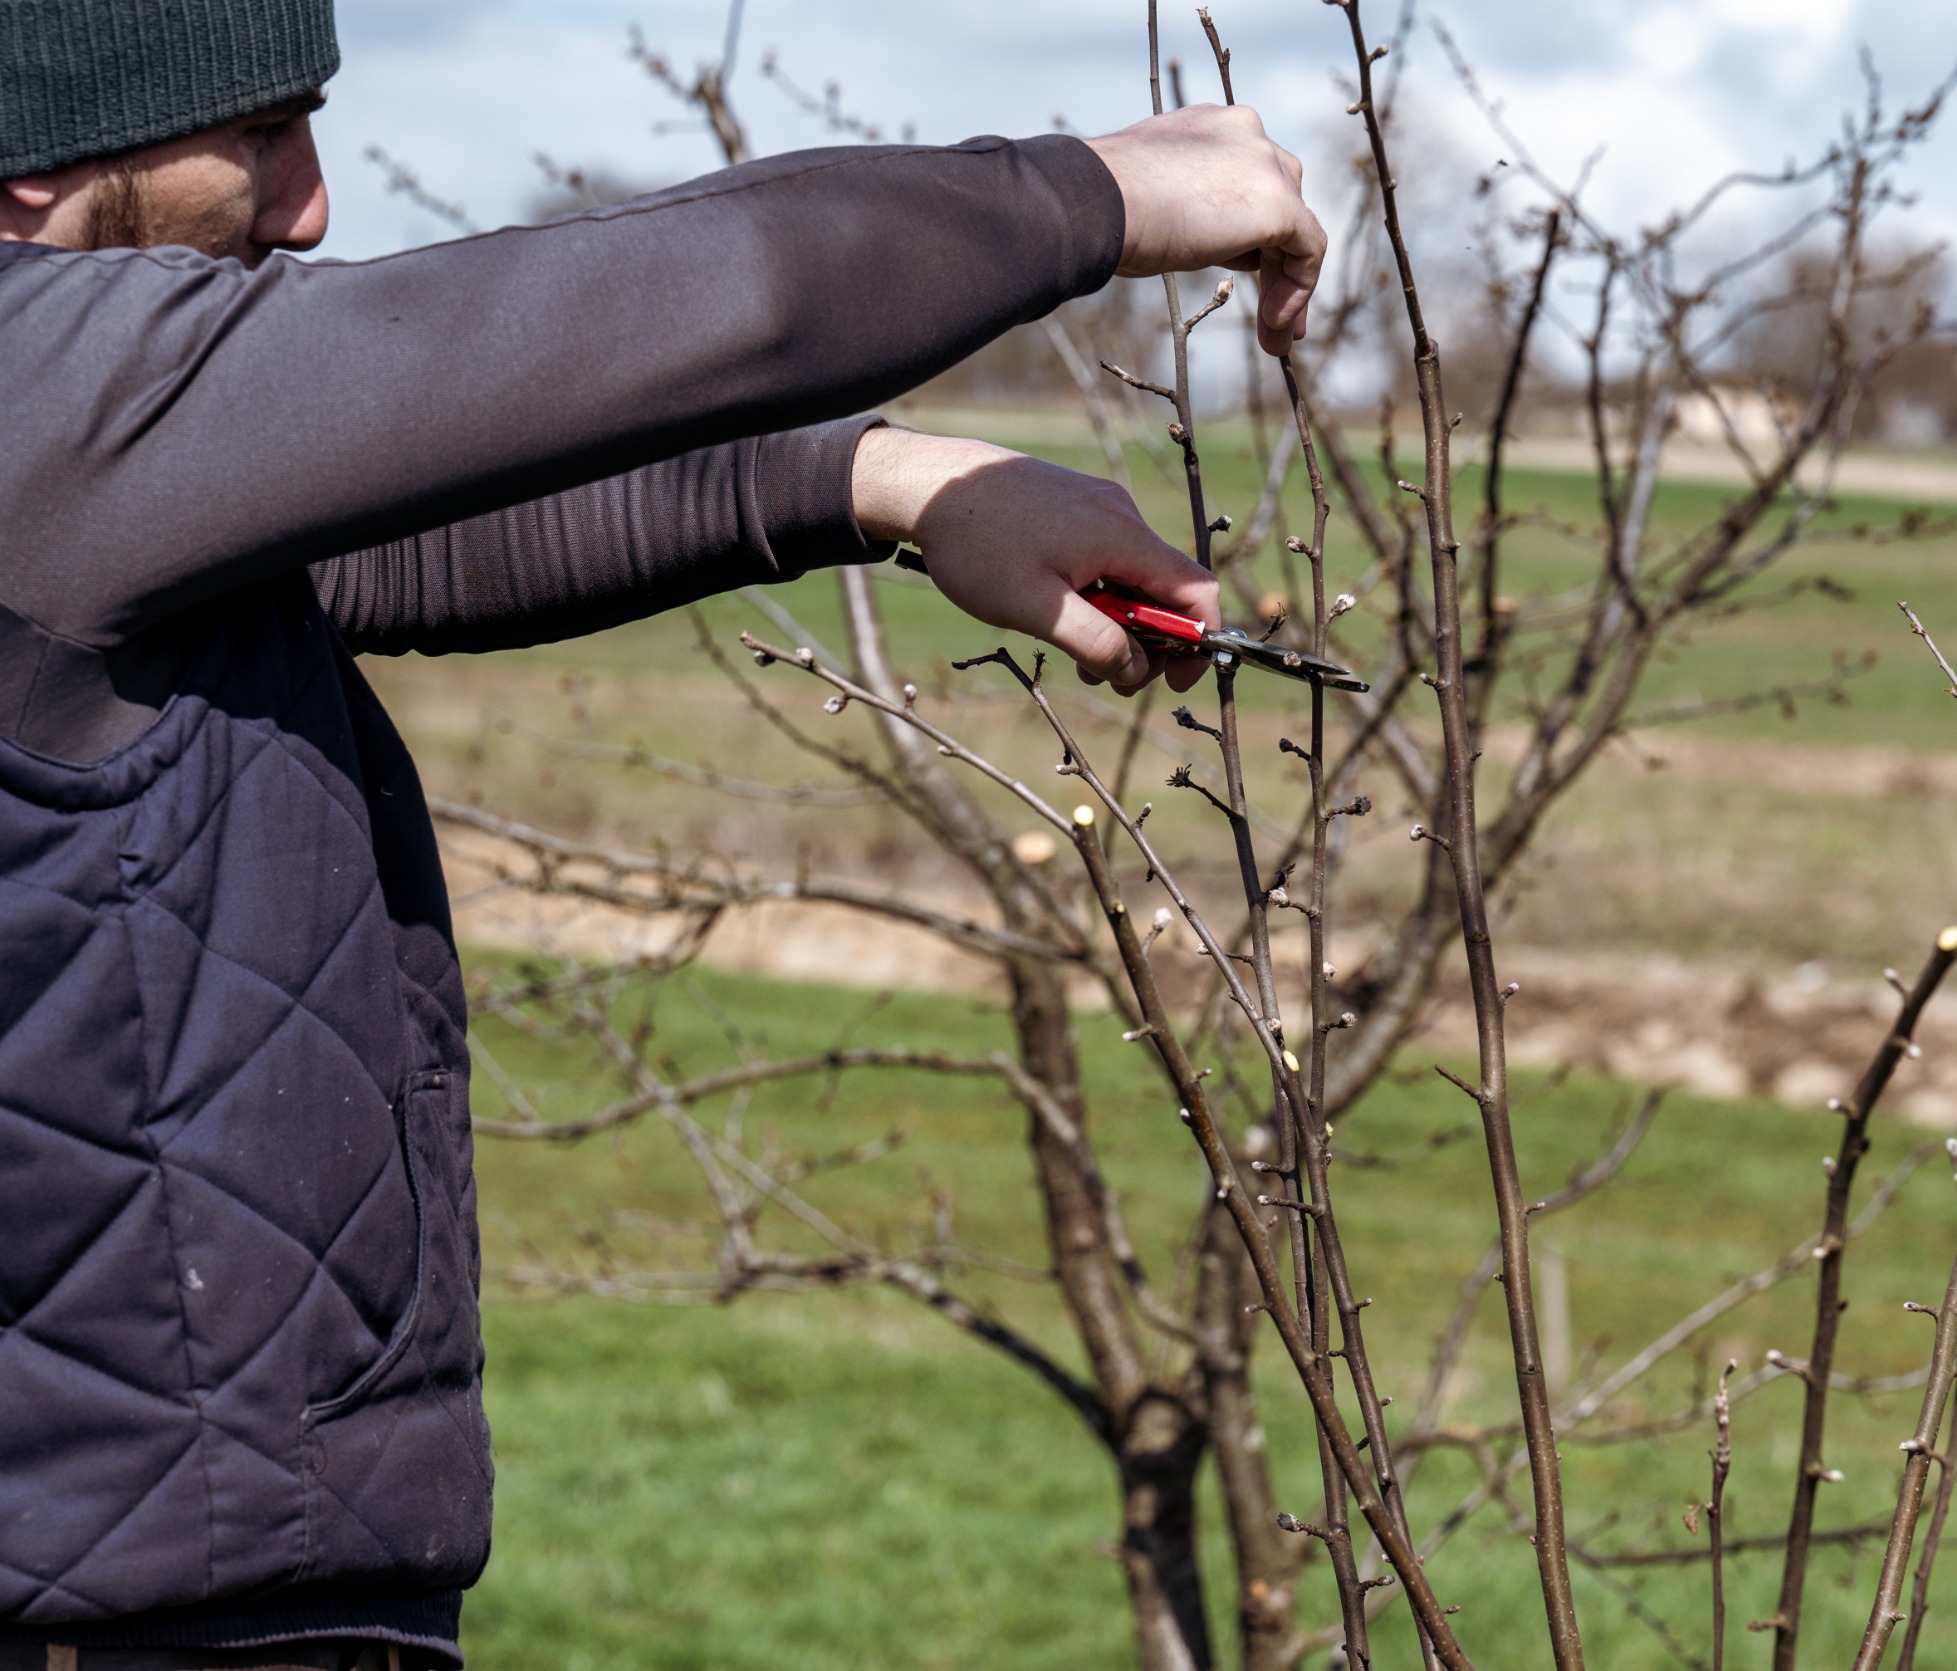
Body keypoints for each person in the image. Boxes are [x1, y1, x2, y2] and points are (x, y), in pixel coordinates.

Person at [0, 1, 1327, 1666]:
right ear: (33, 172)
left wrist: (892, 484)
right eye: (256, 139)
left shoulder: (85, 472)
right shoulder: (24, 405)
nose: (310, 205)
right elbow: (703, 305)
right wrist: (1094, 197)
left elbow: (416, 534)